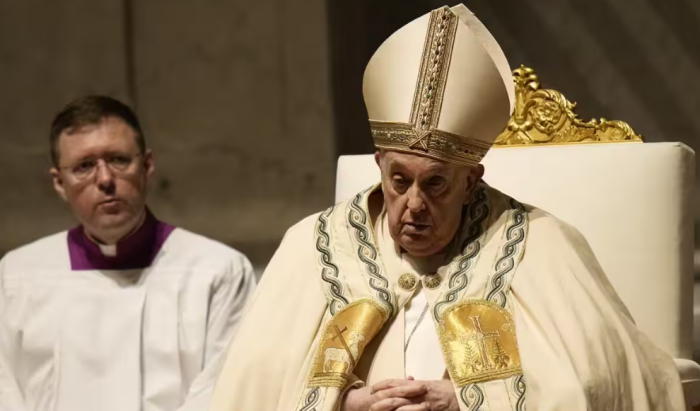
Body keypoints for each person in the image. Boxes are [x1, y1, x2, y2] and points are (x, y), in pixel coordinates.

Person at [209, 4, 685, 411]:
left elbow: (610, 379)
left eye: (435, 183)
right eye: (399, 181)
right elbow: (252, 383)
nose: (414, 204)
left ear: (471, 180)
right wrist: (343, 401)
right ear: (379, 165)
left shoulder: (539, 243)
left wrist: (466, 400)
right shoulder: (313, 246)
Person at [0, 96, 256, 411]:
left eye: (119, 160)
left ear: (147, 165)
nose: (105, 179)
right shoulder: (17, 276)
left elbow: (222, 392)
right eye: (84, 166)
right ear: (59, 183)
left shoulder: (218, 272)